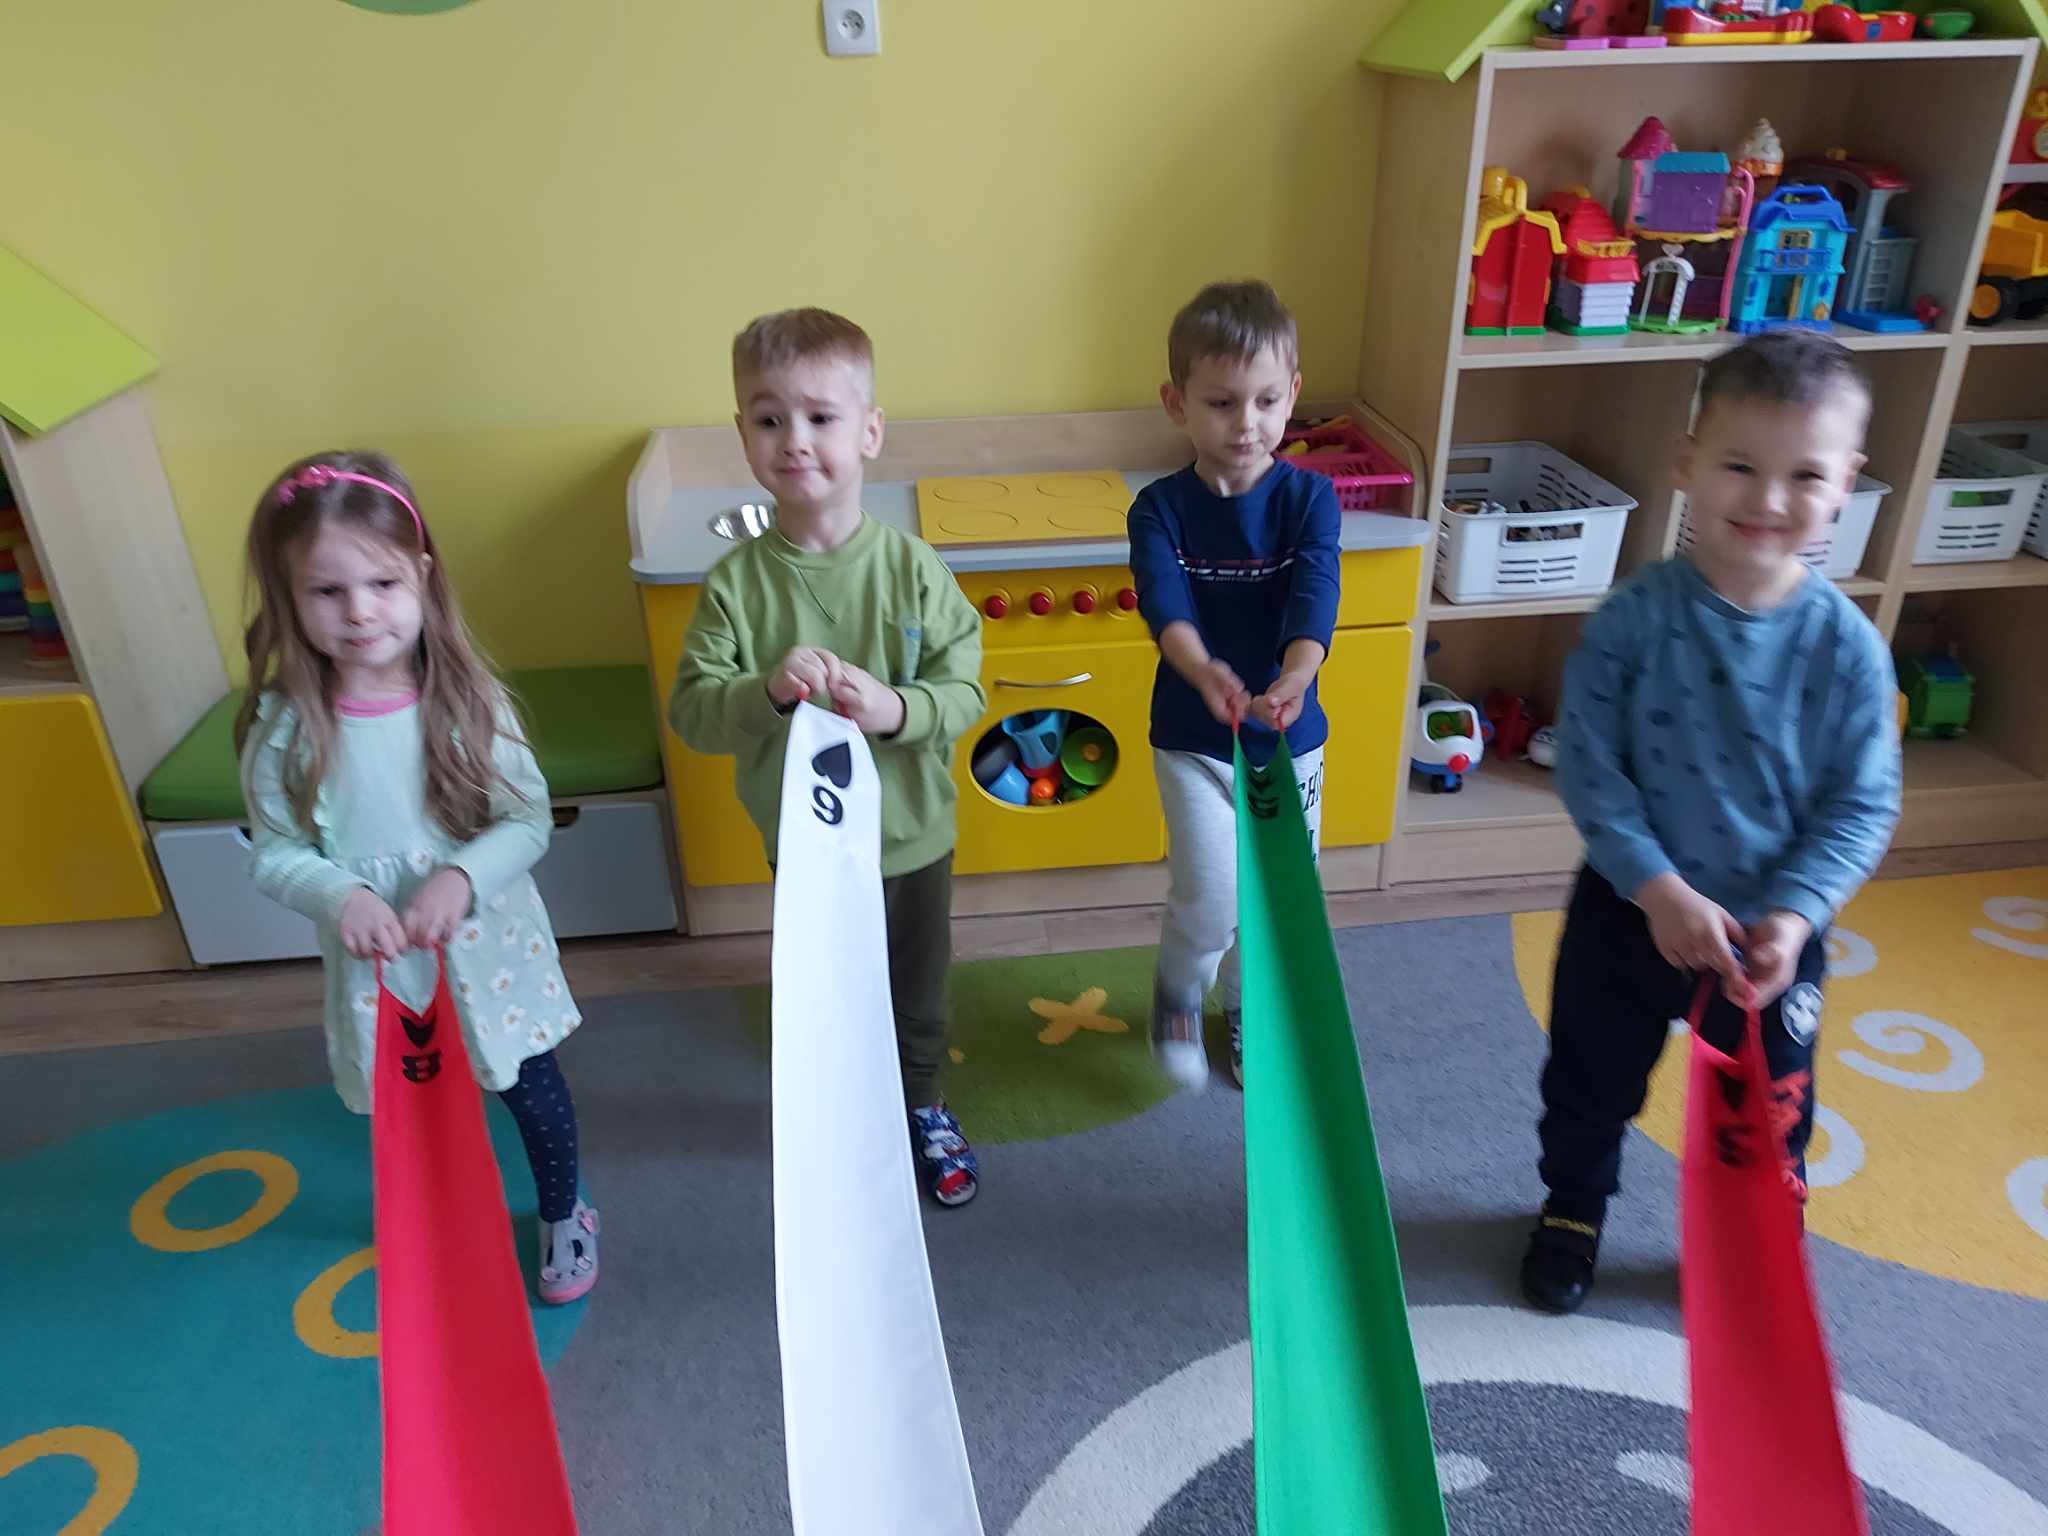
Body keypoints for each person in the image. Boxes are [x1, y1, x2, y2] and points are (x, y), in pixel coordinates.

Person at [1520, 331, 1902, 1314]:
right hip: (1628, 911)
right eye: (1740, 465)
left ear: (1845, 483)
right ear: (1688, 462)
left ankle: (1745, 1230)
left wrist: (1797, 915)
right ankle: (1573, 1207)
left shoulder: (1848, 651)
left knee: (1769, 1110)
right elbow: (1592, 769)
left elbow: (1861, 804)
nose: (1767, 499)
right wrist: (1656, 890)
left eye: (1803, 475)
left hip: (1767, 939)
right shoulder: (1632, 620)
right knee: (1589, 1081)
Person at [236, 452, 598, 1304]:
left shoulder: (470, 704)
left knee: (531, 1090)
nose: (360, 612)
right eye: (328, 592)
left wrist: (462, 879)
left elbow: (527, 819)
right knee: (414, 1113)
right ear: (289, 599)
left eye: (383, 584)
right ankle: (439, 1219)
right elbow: (274, 852)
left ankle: (564, 1212)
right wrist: (340, 895)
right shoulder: (285, 730)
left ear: (423, 580)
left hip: (488, 952)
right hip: (380, 969)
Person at [668, 307, 988, 1205]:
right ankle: (843, 1115)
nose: (795, 440)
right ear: (743, 435)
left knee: (916, 989)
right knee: (827, 994)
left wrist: (896, 709)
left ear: (870, 432)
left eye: (820, 417)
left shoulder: (915, 569)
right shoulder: (735, 585)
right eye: (770, 419)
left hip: (912, 836)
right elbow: (692, 714)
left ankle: (921, 1102)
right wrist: (767, 691)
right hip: (807, 846)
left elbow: (966, 694)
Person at [1126, 279, 1342, 1092]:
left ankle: (1252, 1008)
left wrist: (1296, 675)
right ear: (1176, 403)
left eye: (1265, 400)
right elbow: (1165, 605)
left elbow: (1316, 592)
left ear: (1292, 394)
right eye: (1221, 403)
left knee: (1280, 900)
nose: (1246, 423)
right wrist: (1201, 669)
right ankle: (1181, 996)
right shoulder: (1159, 509)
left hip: (1288, 737)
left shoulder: (1310, 498)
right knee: (1213, 894)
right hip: (1194, 737)